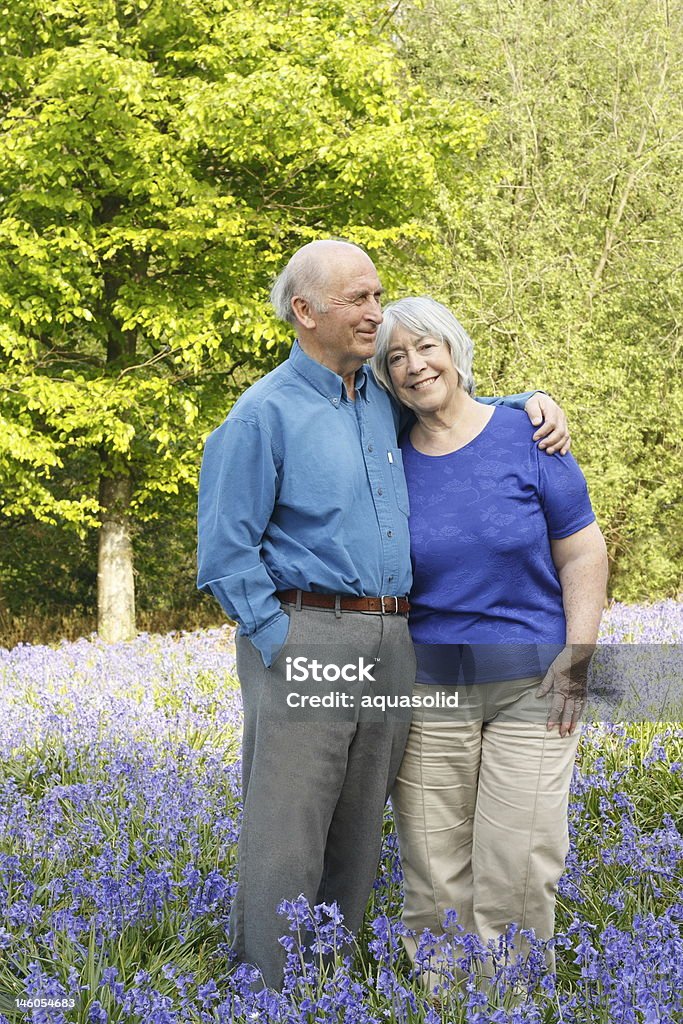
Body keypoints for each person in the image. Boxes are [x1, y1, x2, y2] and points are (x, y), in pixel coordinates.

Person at [196, 241, 570, 990]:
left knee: (361, 817)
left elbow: (448, 398)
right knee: (290, 820)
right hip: (308, 630)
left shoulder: (373, 392)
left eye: (376, 295)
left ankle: (329, 971)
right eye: (358, 300)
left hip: (394, 636)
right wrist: (281, 640)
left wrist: (525, 404)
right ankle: (272, 985)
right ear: (304, 313)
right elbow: (225, 553)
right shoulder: (262, 413)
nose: (376, 313)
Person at [371, 297, 608, 986]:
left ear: (453, 350)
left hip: (533, 681)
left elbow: (583, 555)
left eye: (426, 348)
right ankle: (445, 999)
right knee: (434, 866)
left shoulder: (527, 437)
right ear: (386, 378)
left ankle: (510, 1000)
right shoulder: (386, 460)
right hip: (429, 687)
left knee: (520, 858)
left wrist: (579, 657)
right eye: (395, 358)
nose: (415, 366)